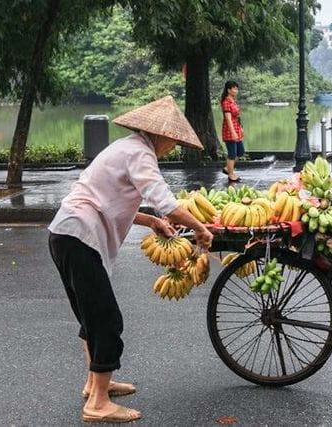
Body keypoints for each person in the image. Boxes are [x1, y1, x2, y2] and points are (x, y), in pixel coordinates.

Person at [47, 96, 214, 423]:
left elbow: (110, 198)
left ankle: (94, 385)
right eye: (173, 142)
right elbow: (163, 199)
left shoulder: (125, 147)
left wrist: (150, 221)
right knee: (107, 320)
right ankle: (97, 404)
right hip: (79, 235)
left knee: (91, 317)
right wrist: (200, 227)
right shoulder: (141, 153)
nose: (173, 148)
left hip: (67, 234)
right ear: (161, 135)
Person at [220, 80, 244, 182]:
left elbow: (237, 117)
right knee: (232, 154)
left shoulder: (233, 101)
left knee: (240, 151)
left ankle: (227, 168)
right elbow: (228, 119)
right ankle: (231, 174)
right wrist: (233, 132)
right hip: (229, 131)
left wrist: (240, 128)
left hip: (236, 129)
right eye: (234, 88)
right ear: (228, 90)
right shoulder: (226, 102)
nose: (236, 90)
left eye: (236, 88)